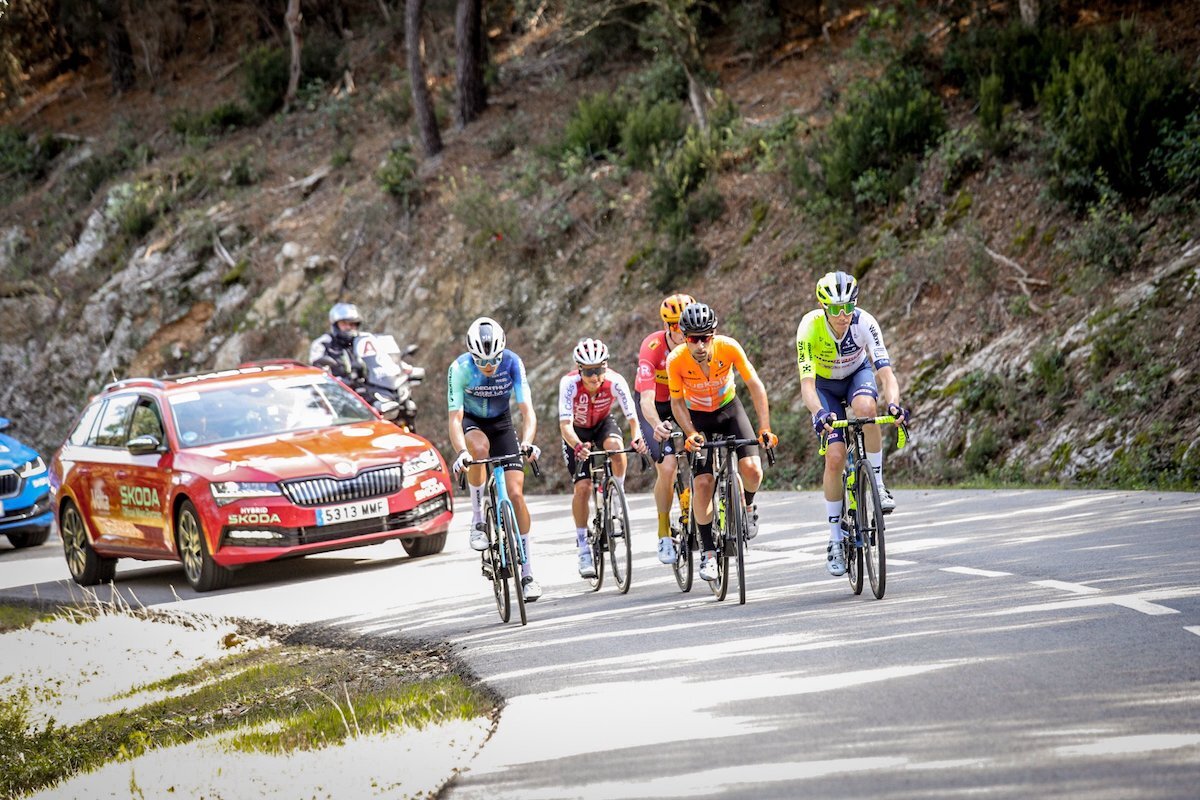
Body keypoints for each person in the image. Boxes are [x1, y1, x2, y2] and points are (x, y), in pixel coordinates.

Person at [796, 270, 910, 577]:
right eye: (835, 309)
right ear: (824, 308)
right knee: (834, 457)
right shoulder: (809, 327)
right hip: (824, 388)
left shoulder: (865, 323)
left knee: (866, 409)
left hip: (857, 376)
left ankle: (878, 483)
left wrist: (894, 402)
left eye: (848, 307)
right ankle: (835, 538)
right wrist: (819, 413)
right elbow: (807, 386)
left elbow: (885, 372)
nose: (843, 315)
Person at [667, 302, 777, 583]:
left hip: (729, 410)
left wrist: (764, 426)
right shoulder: (676, 360)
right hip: (697, 418)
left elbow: (755, 385)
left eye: (706, 337)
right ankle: (709, 553)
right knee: (703, 484)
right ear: (684, 337)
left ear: (713, 335)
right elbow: (677, 403)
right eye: (694, 338)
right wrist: (690, 432)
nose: (700, 345)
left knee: (753, 470)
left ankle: (748, 507)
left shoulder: (729, 347)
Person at [447, 316, 543, 601]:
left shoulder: (513, 362)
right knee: (478, 450)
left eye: (493, 361)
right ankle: (478, 521)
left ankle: (527, 573)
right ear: (471, 355)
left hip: (502, 423)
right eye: (482, 362)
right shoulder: (460, 368)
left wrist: (527, 442)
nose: (488, 367)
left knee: (515, 494)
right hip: (473, 423)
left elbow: (527, 410)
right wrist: (460, 453)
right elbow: (455, 418)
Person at [558, 337, 648, 579]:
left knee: (616, 448)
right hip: (577, 432)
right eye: (589, 371)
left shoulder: (615, 381)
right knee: (583, 487)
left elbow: (632, 418)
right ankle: (583, 546)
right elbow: (565, 425)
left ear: (606, 367)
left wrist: (637, 438)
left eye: (599, 370)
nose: (595, 376)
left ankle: (617, 492)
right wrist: (577, 446)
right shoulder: (568, 384)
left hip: (602, 424)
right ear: (580, 370)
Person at [635, 292, 694, 567]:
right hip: (656, 407)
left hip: (684, 402)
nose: (680, 332)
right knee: (668, 467)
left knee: (704, 453)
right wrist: (657, 425)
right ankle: (664, 531)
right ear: (666, 326)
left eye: (683, 325)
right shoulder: (653, 347)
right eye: (673, 326)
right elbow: (646, 398)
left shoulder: (698, 343)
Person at [309, 302, 368, 384]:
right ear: (335, 325)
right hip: (337, 389)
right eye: (344, 323)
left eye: (352, 324)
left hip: (366, 387)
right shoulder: (323, 343)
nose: (348, 327)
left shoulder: (364, 340)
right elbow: (315, 368)